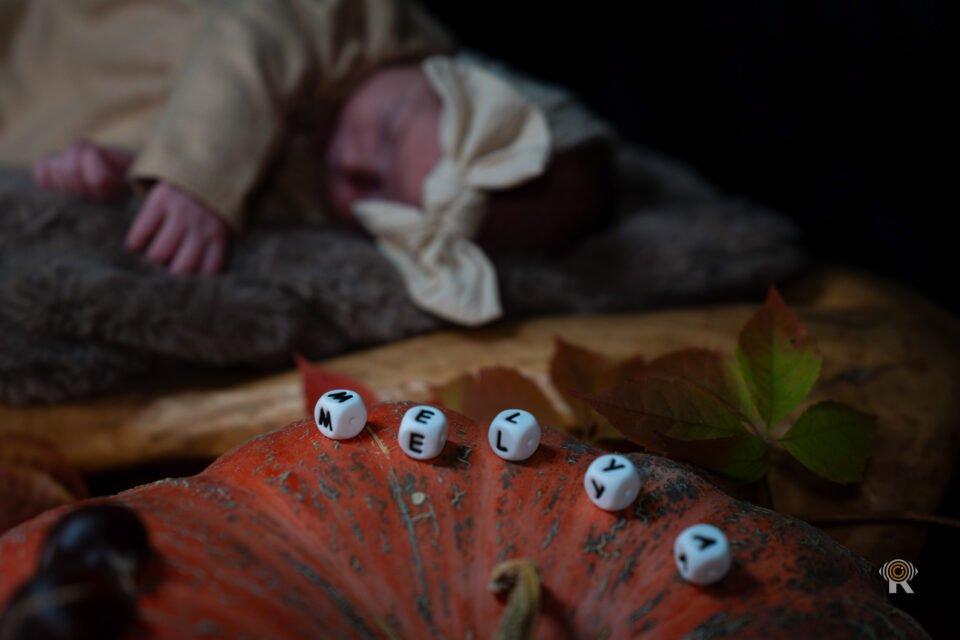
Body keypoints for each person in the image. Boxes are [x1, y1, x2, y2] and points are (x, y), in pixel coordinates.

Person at [0, 0, 614, 324]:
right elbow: (256, 36)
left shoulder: (309, 197)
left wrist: (125, 172)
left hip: (33, 118)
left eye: (380, 203)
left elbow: (194, 195)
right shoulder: (360, 20)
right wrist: (198, 173)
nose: (355, 167)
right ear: (442, 71)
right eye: (388, 134)